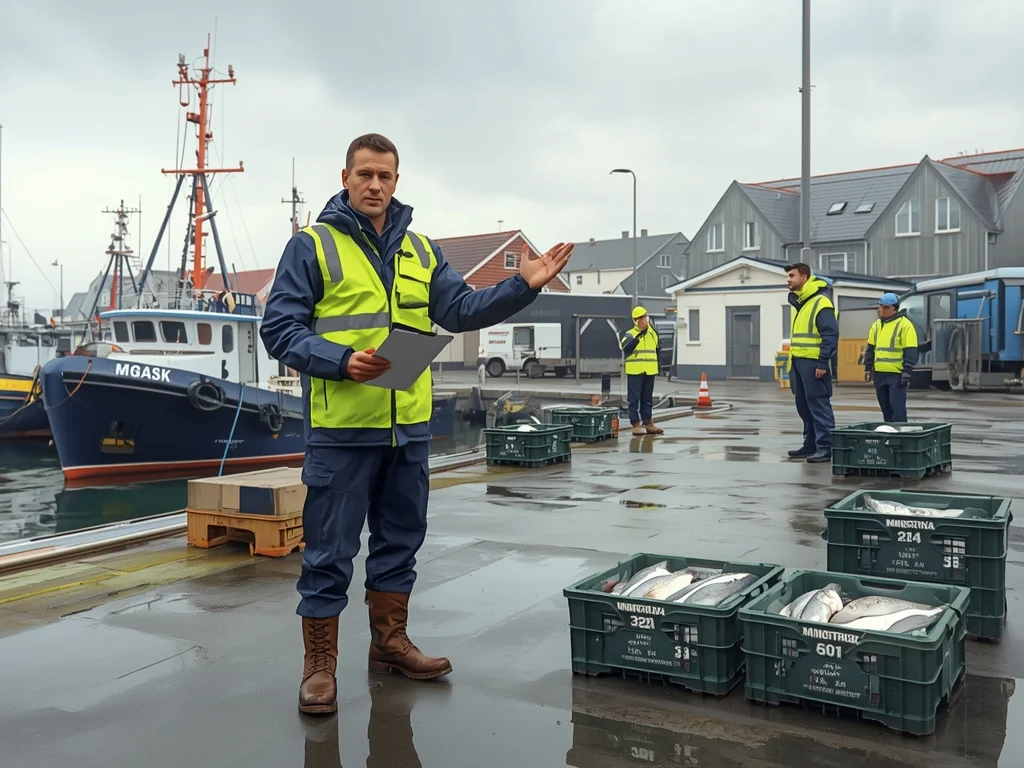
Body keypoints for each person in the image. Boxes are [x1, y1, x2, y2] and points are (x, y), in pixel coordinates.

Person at [259, 132, 574, 715]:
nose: (375, 185)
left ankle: (390, 644)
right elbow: (279, 329)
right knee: (329, 551)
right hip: (342, 431)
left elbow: (460, 310)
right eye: (364, 174)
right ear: (346, 178)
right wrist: (340, 360)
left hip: (407, 429)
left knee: (400, 541)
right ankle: (320, 667)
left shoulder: (422, 251)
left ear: (397, 181)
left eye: (385, 176)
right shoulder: (312, 247)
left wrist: (521, 286)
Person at [785, 263, 839, 463]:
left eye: (792, 276)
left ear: (804, 277)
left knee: (818, 404)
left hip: (814, 363)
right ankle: (811, 444)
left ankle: (826, 446)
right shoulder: (801, 303)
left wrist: (822, 362)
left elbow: (830, 334)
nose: (788, 280)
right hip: (798, 362)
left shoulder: (820, 302)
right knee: (803, 405)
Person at [863, 292, 919, 423]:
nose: (880, 310)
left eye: (885, 307)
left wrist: (907, 371)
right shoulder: (876, 326)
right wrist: (868, 367)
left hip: (896, 375)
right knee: (886, 410)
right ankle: (890, 432)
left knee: (897, 408)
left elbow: (910, 350)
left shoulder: (905, 325)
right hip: (879, 374)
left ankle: (902, 433)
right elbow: (870, 349)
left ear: (894, 309)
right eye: (880, 306)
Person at [619, 306, 663, 436]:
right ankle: (636, 423)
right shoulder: (630, 333)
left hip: (650, 370)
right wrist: (639, 334)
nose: (645, 319)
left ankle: (648, 423)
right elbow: (626, 348)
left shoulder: (652, 333)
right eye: (642, 317)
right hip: (635, 370)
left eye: (645, 316)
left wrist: (658, 366)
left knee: (647, 399)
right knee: (634, 399)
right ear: (636, 320)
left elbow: (657, 349)